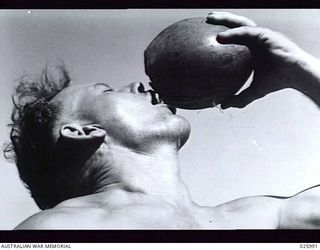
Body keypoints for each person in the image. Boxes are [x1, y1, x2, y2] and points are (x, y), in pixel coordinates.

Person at [5, 11, 320, 229]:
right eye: (108, 90)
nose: (138, 84)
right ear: (81, 131)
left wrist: (300, 69)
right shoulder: (60, 230)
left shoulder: (262, 218)